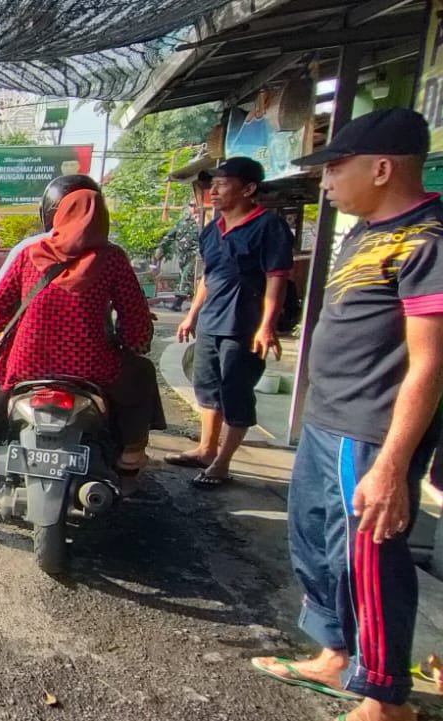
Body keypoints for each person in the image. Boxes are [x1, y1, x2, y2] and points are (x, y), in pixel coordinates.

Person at [249, 108, 443, 721]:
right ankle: (336, 652)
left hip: (371, 427)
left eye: (336, 167)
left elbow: (430, 364)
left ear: (383, 168)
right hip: (327, 416)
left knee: (369, 558)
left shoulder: (429, 240)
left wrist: (391, 463)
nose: (326, 182)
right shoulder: (364, 231)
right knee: (317, 542)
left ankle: (385, 699)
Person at [0, 189, 156, 490]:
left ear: (57, 215)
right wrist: (136, 342)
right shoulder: (112, 259)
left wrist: (0, 328)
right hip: (92, 368)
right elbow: (135, 318)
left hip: (26, 365)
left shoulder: (31, 253)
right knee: (140, 373)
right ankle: (130, 457)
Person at [168, 157, 295, 487]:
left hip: (245, 326)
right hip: (211, 322)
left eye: (224, 183)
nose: (214, 190)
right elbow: (208, 278)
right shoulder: (212, 230)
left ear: (249, 189)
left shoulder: (269, 227)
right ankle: (205, 449)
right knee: (206, 387)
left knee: (235, 392)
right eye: (213, 184)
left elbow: (276, 277)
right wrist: (192, 315)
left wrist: (267, 325)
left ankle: (223, 463)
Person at [156, 201, 202, 311]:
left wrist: (199, 223)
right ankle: (194, 305)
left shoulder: (204, 221)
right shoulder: (183, 221)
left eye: (196, 205)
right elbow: (170, 236)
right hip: (182, 256)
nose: (193, 208)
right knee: (185, 277)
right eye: (191, 205)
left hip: (195, 255)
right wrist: (161, 248)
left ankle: (177, 303)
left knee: (187, 275)